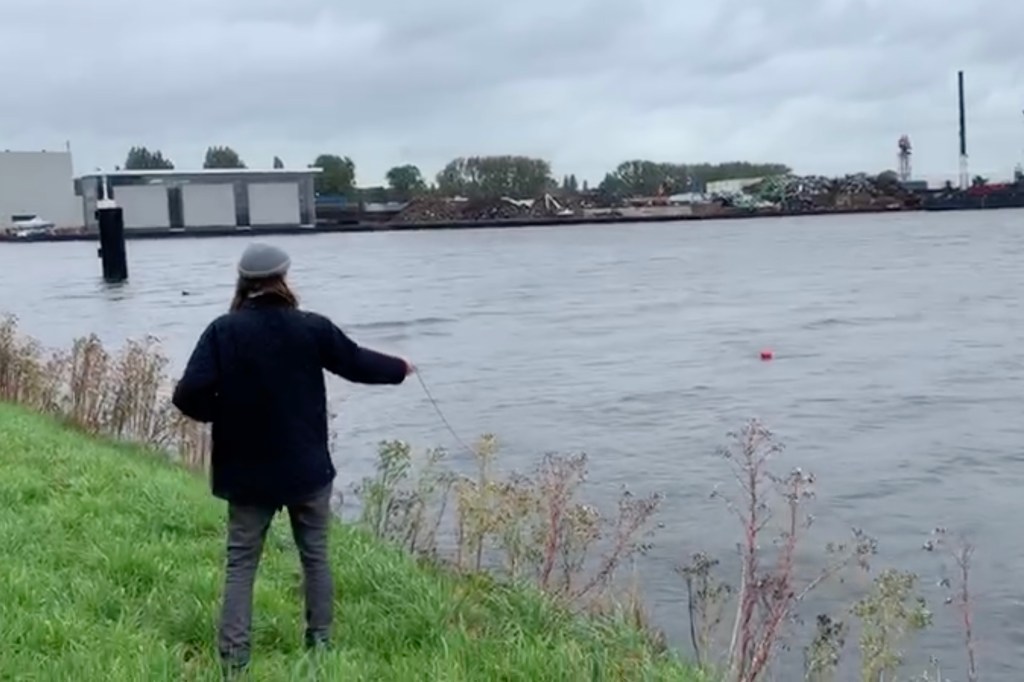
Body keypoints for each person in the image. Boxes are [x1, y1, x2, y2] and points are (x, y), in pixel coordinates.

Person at [171, 243, 413, 674]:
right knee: (315, 557)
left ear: (243, 281)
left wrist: (222, 413)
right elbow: (356, 363)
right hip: (307, 469)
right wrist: (400, 368)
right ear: (284, 278)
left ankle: (234, 661)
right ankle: (320, 646)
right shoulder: (311, 327)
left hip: (245, 473)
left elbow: (188, 394)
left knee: (241, 564)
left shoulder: (223, 331)